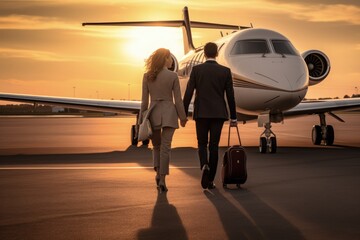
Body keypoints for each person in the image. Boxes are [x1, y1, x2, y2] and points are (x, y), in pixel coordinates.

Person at [183, 42, 237, 190]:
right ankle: (211, 180)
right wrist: (233, 117)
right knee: (214, 146)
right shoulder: (225, 71)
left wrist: (182, 113)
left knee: (202, 144)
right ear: (217, 54)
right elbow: (230, 96)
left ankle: (204, 166)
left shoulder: (196, 70)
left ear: (205, 54)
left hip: (201, 113)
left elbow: (188, 93)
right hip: (218, 114)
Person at [140, 48, 188, 193]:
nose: (171, 61)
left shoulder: (147, 76)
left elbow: (144, 102)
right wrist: (183, 117)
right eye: (169, 58)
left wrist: (143, 119)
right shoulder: (172, 76)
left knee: (156, 147)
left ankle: (157, 173)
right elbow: (178, 100)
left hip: (153, 114)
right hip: (169, 114)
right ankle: (162, 179)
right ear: (165, 59)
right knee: (166, 148)